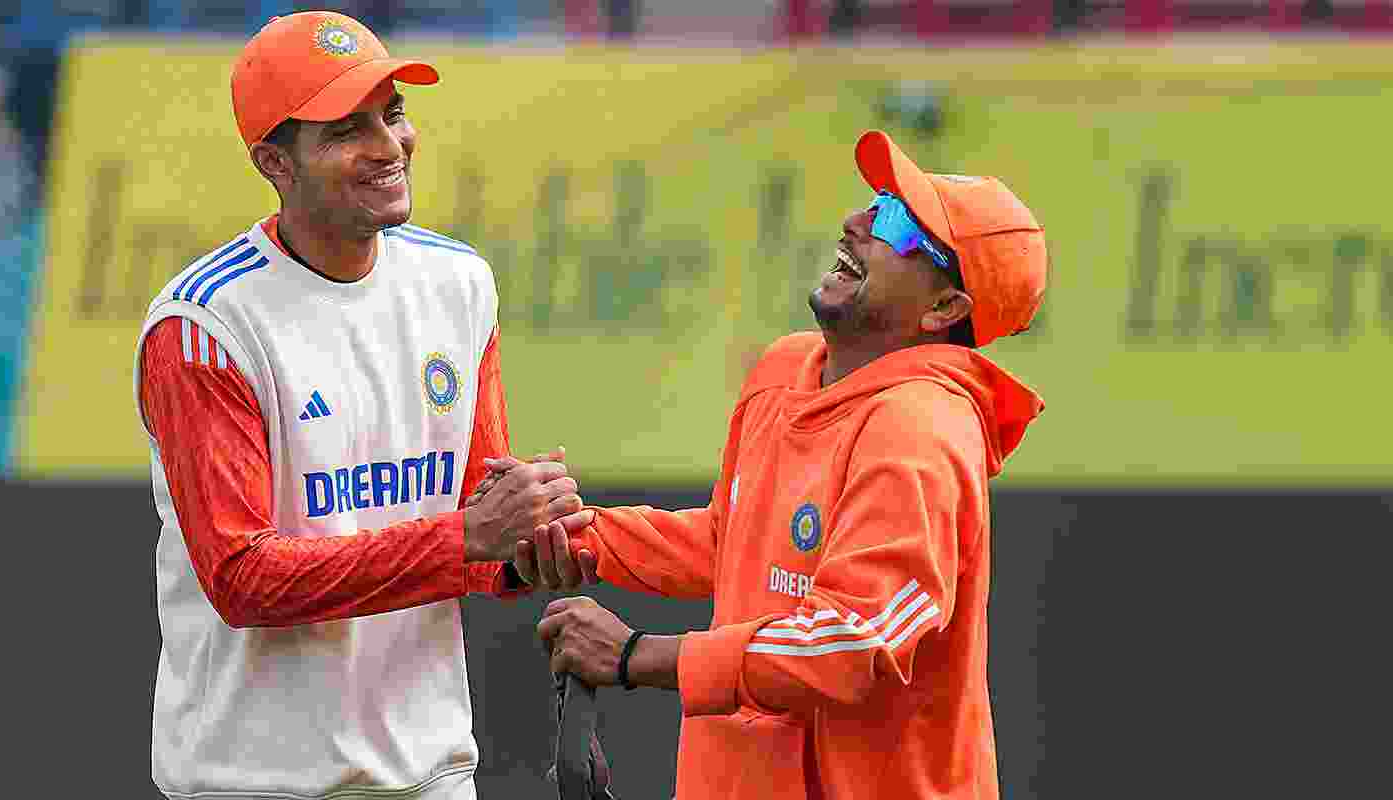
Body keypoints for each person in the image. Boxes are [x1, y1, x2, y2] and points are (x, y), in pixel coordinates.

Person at [132, 12, 591, 800]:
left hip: (435, 769)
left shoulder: (459, 283)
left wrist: (525, 548)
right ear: (274, 161)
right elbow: (243, 579)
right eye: (349, 128)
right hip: (251, 780)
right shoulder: (204, 326)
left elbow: (472, 532)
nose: (390, 144)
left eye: (394, 112)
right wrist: (469, 537)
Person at [525, 130, 1048, 799]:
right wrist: (564, 532)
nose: (858, 221)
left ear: (945, 308)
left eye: (897, 223)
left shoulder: (923, 430)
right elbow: (730, 541)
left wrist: (636, 657)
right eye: (877, 200)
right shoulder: (783, 369)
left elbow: (851, 643)